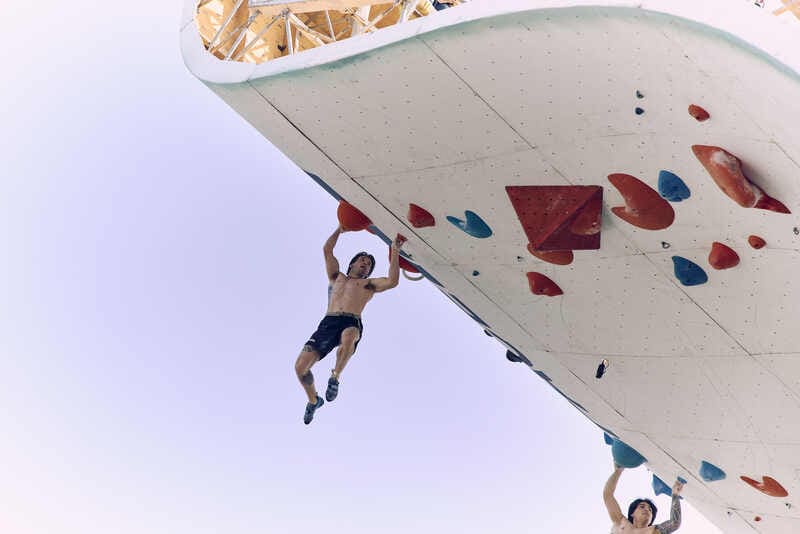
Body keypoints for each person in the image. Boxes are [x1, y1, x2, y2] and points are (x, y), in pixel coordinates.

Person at [294, 226, 403, 424]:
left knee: (350, 335)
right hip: (329, 323)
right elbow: (327, 250)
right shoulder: (337, 277)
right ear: (353, 263)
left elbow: (392, 281)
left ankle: (335, 377)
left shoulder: (368, 284)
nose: (365, 265)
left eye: (369, 264)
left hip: (351, 320)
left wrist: (394, 250)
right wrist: (340, 229)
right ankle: (313, 400)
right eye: (363, 260)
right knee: (300, 368)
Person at [603, 464, 684, 533]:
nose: (647, 510)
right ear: (632, 514)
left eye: (650, 510)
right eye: (642, 506)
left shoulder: (652, 531)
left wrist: (675, 494)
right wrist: (618, 471)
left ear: (651, 519)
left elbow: (674, 523)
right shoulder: (621, 523)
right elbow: (608, 495)